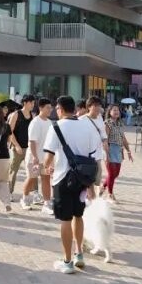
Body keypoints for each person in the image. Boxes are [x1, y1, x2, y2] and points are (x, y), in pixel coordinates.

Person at [43, 95, 102, 274]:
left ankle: (67, 261)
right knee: (78, 216)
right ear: (74, 109)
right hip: (82, 179)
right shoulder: (87, 127)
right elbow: (93, 156)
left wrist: (47, 167)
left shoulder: (56, 127)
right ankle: (79, 254)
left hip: (62, 179)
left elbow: (48, 158)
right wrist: (91, 185)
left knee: (65, 220)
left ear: (60, 109)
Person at [23, 97, 53, 213]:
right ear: (41, 108)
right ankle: (25, 199)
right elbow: (32, 141)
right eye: (47, 108)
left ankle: (47, 204)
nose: (50, 110)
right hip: (34, 159)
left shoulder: (50, 123)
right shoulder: (35, 122)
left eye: (50, 108)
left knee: (46, 179)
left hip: (45, 159)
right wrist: (35, 156)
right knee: (32, 178)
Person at [102, 104, 133, 201]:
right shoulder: (107, 123)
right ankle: (110, 194)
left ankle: (103, 187)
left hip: (118, 150)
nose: (116, 112)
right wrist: (106, 153)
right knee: (111, 173)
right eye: (114, 110)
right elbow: (105, 139)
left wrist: (128, 151)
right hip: (110, 148)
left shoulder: (120, 123)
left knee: (116, 174)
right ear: (109, 112)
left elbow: (123, 138)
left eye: (117, 110)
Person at [8, 95, 36, 198]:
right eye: (31, 103)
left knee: (33, 171)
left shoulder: (33, 115)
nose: (33, 105)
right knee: (13, 171)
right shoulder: (16, 114)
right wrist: (16, 145)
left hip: (29, 148)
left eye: (33, 103)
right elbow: (9, 131)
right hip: (17, 148)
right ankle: (9, 193)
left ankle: (35, 193)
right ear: (25, 103)